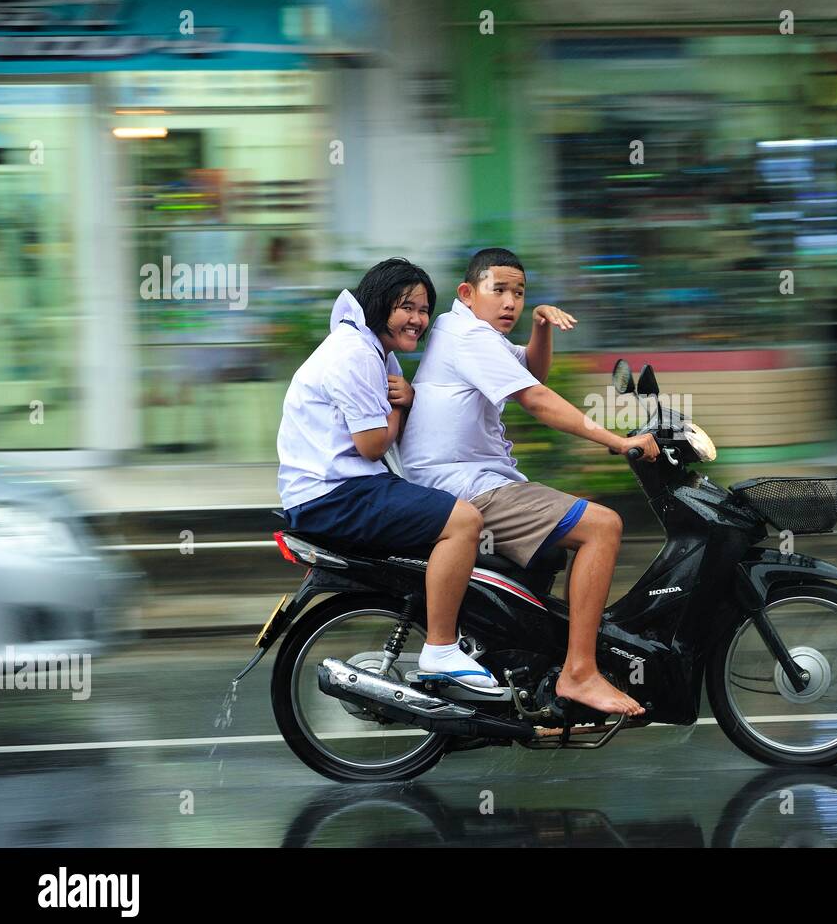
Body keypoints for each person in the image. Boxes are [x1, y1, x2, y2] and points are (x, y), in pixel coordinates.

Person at [399, 247, 659, 716]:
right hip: (465, 484)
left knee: (563, 539)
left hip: (460, 478)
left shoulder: (462, 328)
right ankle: (579, 672)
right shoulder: (471, 338)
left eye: (518, 293)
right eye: (498, 290)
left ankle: (537, 659)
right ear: (467, 293)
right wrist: (618, 441)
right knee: (602, 526)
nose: (510, 303)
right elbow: (536, 399)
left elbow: (530, 370)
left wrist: (540, 327)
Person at [276, 258, 495, 686]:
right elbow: (373, 445)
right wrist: (400, 404)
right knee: (465, 521)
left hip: (346, 488)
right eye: (406, 307)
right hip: (334, 496)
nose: (418, 319)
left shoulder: (376, 351)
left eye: (424, 309)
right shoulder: (355, 353)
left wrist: (405, 400)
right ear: (379, 305)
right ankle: (441, 649)